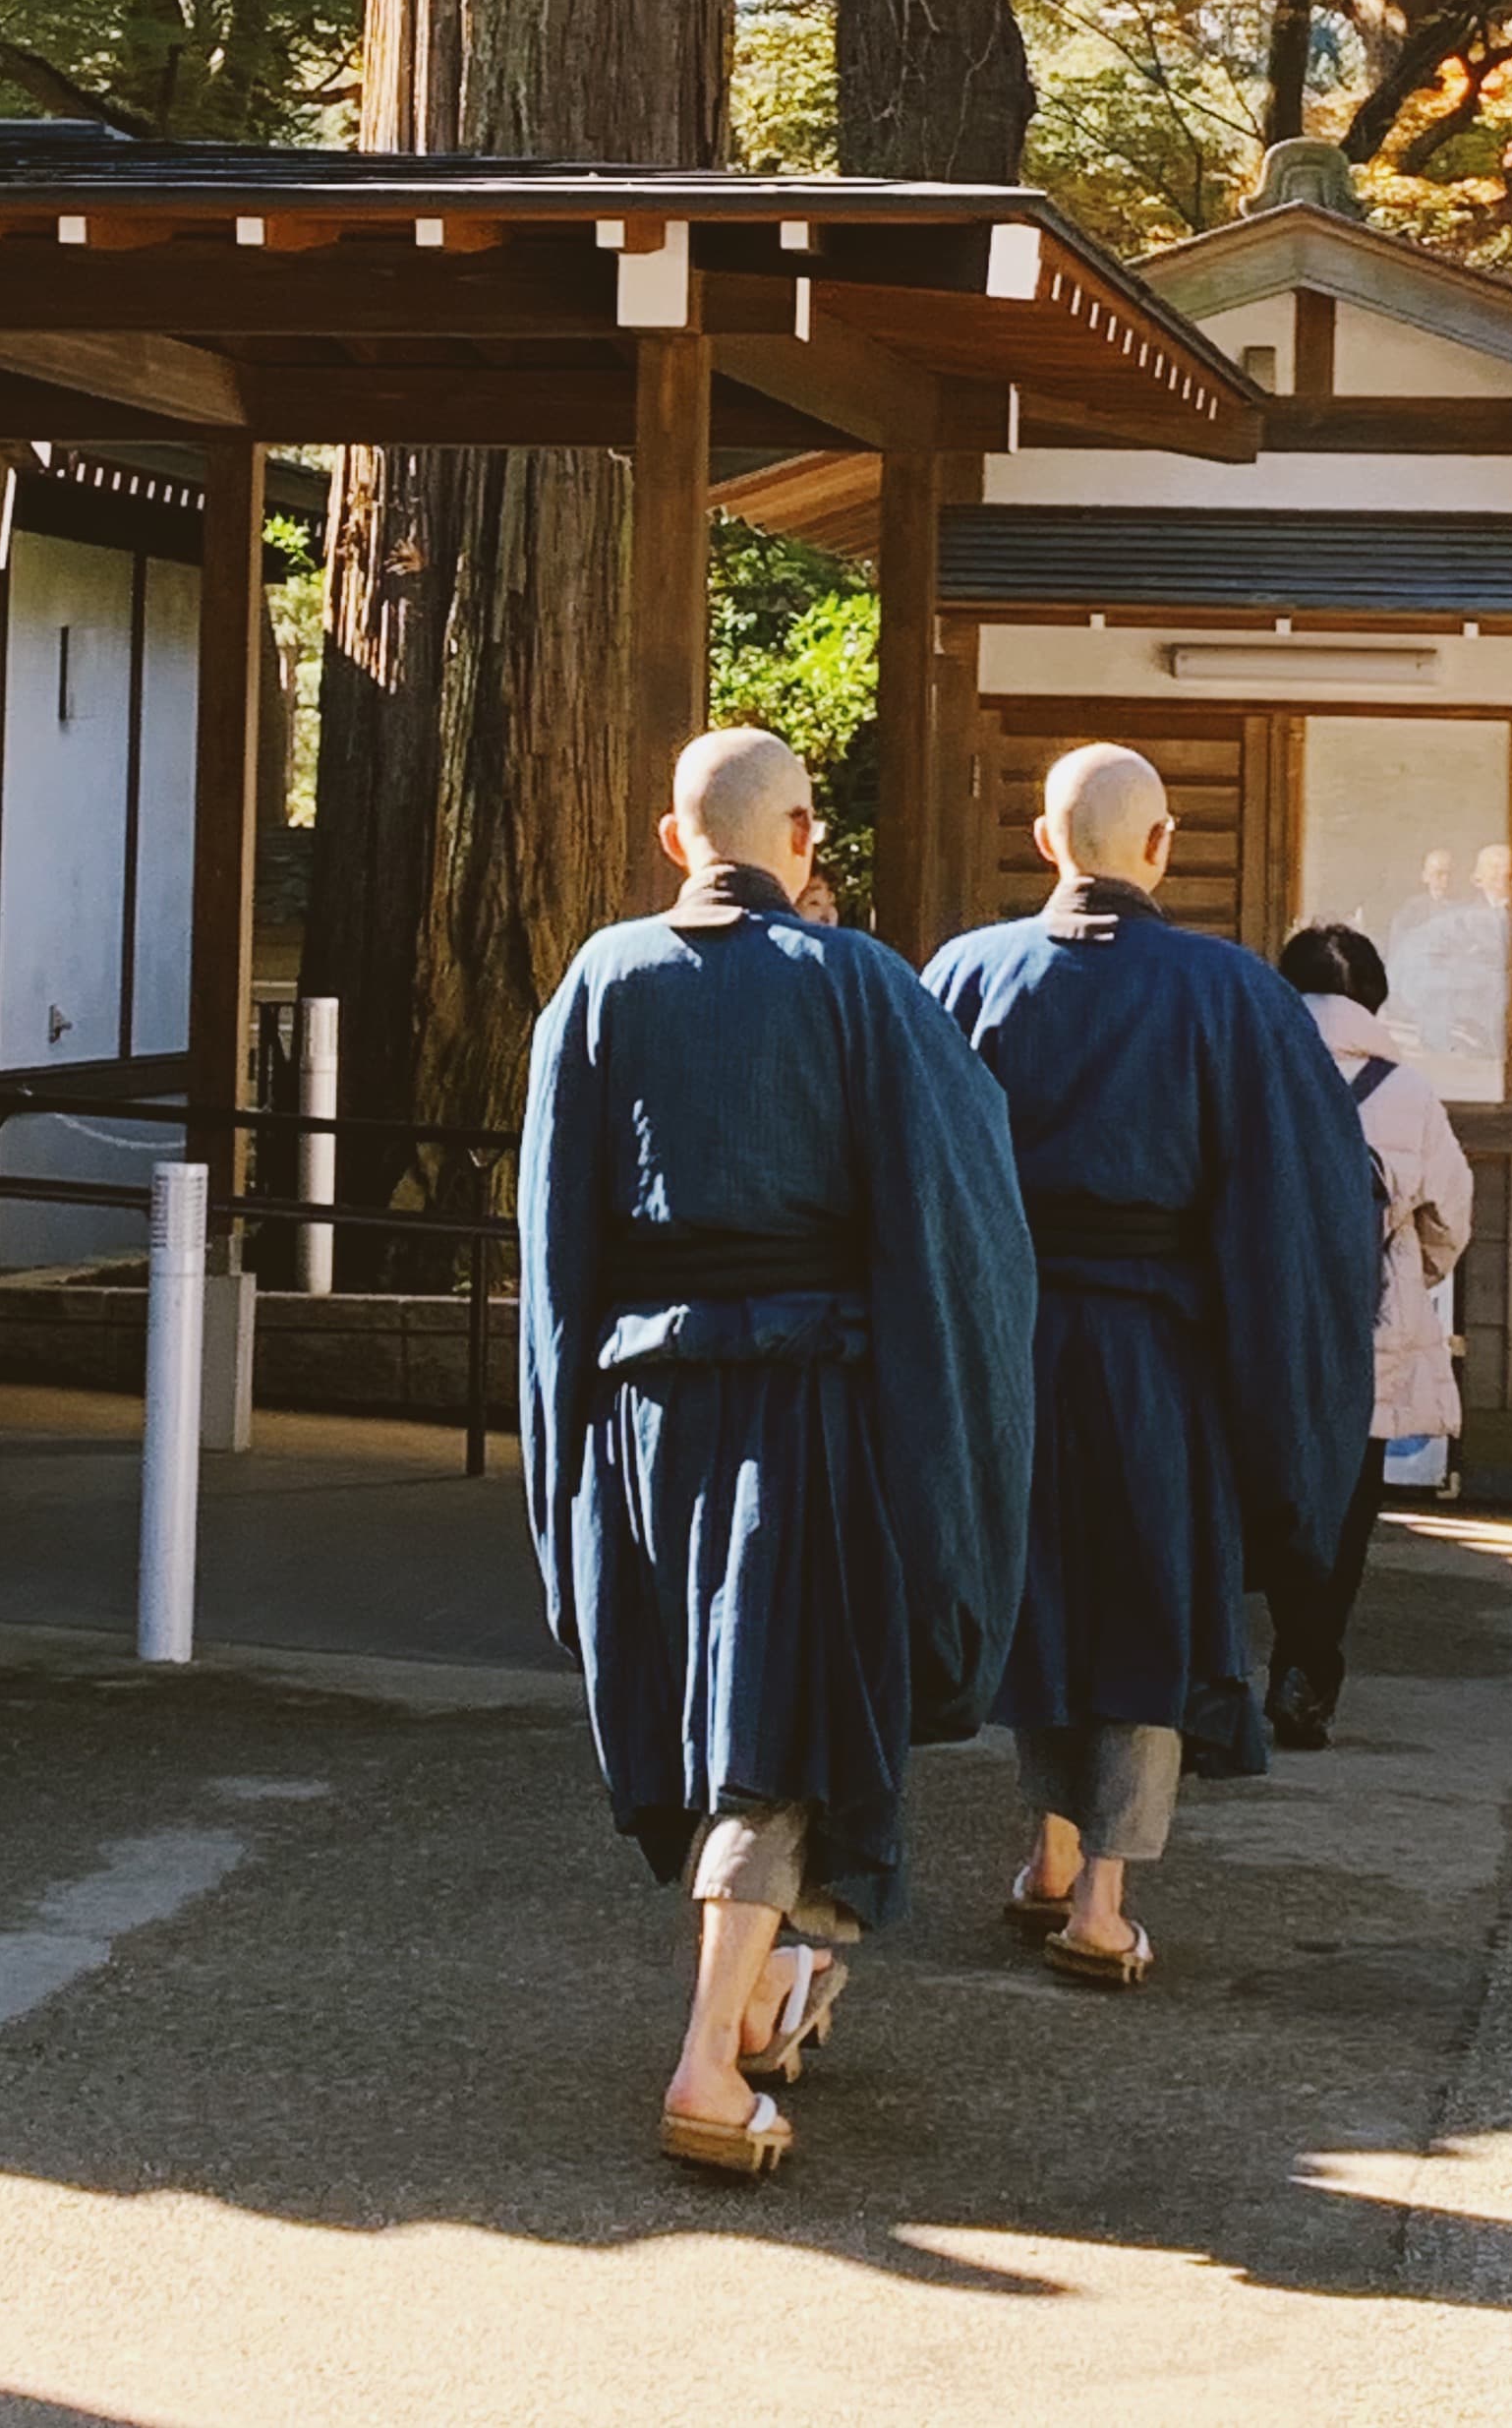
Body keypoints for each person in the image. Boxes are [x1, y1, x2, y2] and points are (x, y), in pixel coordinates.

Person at [519, 727, 1035, 2179]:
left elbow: (554, 1237)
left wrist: (562, 1460)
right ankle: (701, 2057)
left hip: (646, 1404)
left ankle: (760, 1992)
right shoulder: (858, 979)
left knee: (715, 1699)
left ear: (678, 840)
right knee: (782, 1714)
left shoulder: (601, 978)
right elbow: (958, 1209)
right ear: (803, 837)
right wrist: (955, 1417)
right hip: (810, 1400)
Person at [923, 744, 1373, 1988]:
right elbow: (1303, 1204)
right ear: (1160, 847)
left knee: (1043, 1589)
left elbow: (915, 1175)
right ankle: (1101, 1906)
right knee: (1147, 1597)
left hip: (1011, 1343)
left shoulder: (966, 972)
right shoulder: (1228, 993)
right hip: (1157, 1352)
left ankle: (1049, 1853)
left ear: (1041, 840)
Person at [1260, 922, 1475, 1749]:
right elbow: (1450, 1217)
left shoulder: (1256, 1065)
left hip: (1264, 1318)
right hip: (1367, 1327)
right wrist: (1408, 1280)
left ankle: (1251, 1654)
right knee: (1348, 1509)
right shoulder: (1409, 1090)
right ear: (1375, 998)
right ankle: (1307, 1668)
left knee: (1271, 1493)